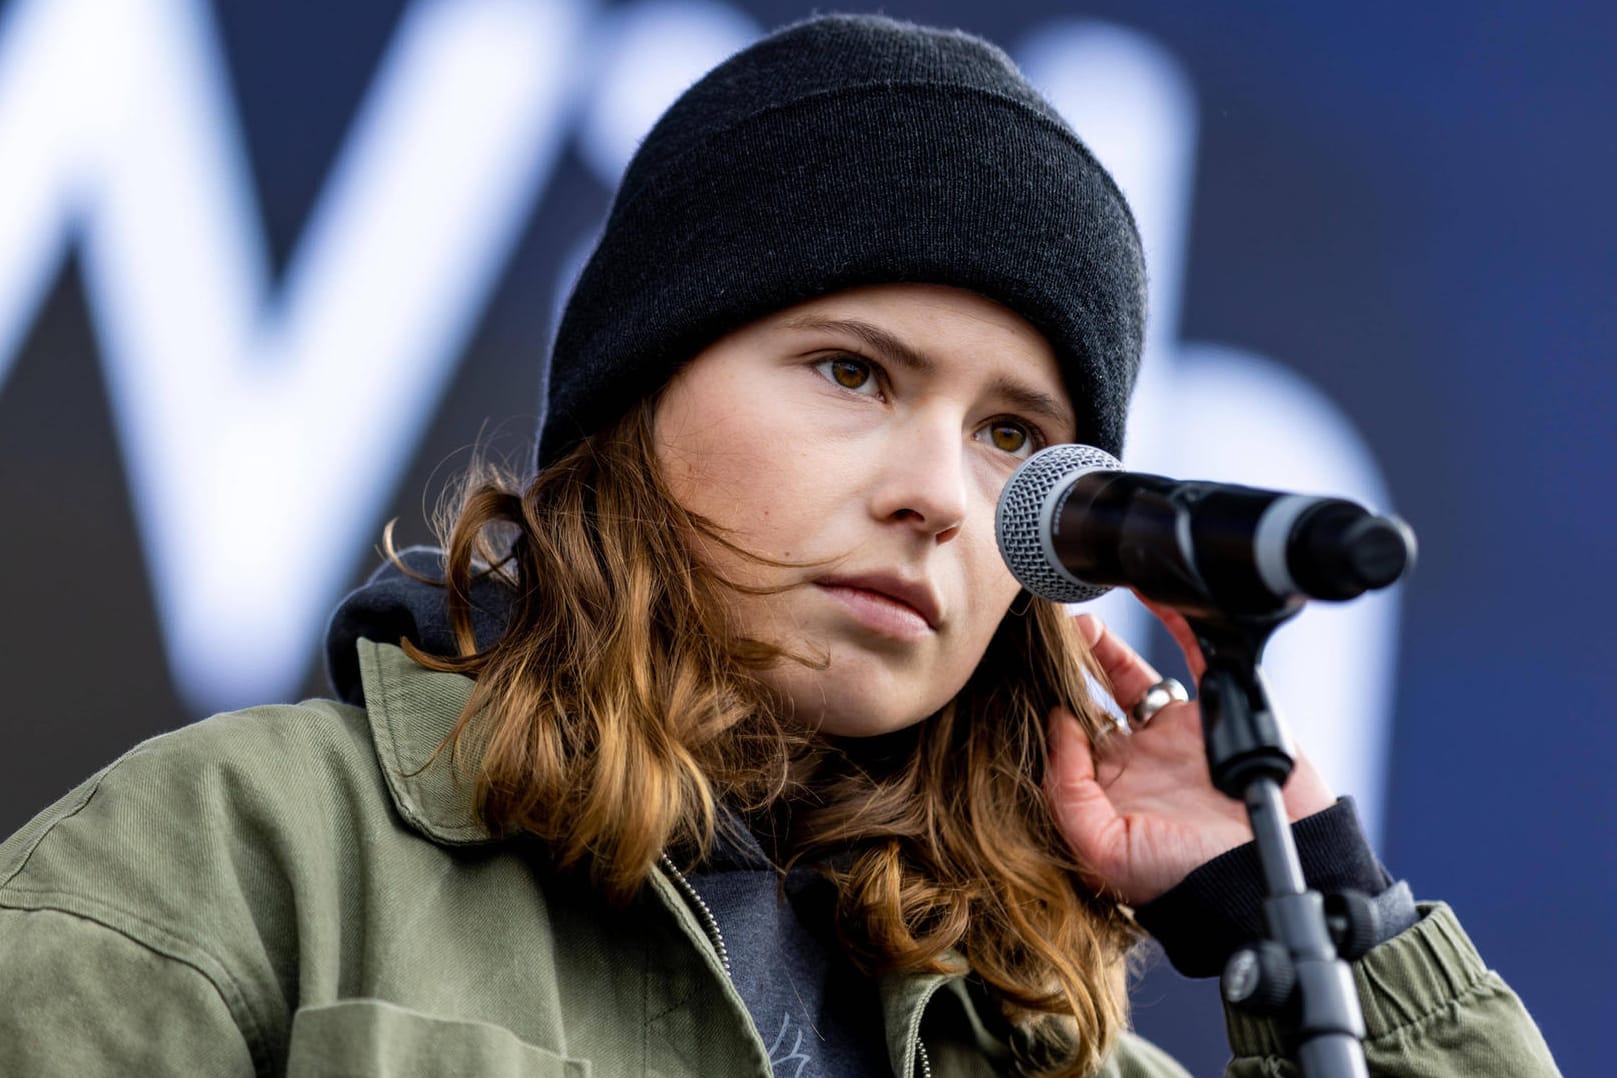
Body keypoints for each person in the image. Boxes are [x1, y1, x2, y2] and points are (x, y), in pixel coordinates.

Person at [0, 14, 1558, 1077]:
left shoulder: (1066, 1059)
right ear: (634, 403)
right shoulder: (235, 853)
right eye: (852, 372)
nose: (939, 492)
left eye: (1013, 433)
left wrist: (1314, 917)